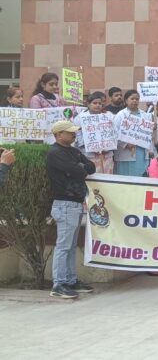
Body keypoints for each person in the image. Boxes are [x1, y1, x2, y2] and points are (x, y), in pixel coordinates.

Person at [46, 120, 96, 299]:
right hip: (64, 203)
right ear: (59, 135)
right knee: (64, 246)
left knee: (71, 246)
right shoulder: (55, 153)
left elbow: (90, 167)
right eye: (69, 132)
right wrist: (80, 167)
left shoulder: (74, 151)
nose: (73, 134)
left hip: (75, 203)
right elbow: (80, 171)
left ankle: (70, 280)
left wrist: (80, 166)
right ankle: (59, 284)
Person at [73, 92, 115, 174]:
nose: (98, 105)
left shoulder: (108, 116)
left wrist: (108, 147)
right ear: (88, 104)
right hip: (89, 156)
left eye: (100, 103)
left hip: (107, 155)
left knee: (108, 180)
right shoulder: (80, 118)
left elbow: (114, 132)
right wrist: (92, 147)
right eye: (94, 103)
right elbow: (78, 135)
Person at [113, 90, 153, 177]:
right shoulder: (120, 115)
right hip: (126, 154)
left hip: (142, 153)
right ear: (126, 100)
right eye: (132, 99)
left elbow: (148, 135)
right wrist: (125, 144)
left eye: (137, 99)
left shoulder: (145, 115)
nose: (135, 101)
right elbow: (114, 133)